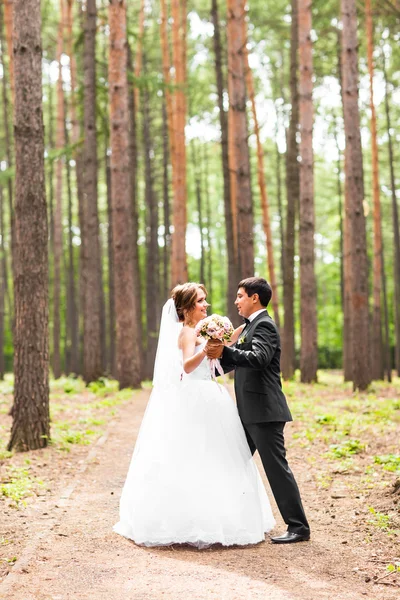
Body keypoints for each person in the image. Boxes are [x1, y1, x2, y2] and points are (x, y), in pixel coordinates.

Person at [113, 282, 275, 548]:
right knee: (197, 456)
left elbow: (224, 345)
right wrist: (207, 347)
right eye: (200, 301)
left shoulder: (197, 330)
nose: (205, 305)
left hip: (210, 395)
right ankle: (194, 522)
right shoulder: (187, 332)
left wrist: (237, 331)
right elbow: (188, 366)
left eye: (205, 300)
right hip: (196, 398)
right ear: (187, 307)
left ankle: (218, 517)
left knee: (215, 457)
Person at [206, 277, 310, 544]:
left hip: (264, 412)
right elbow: (240, 360)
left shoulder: (264, 325)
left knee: (276, 469)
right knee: (232, 461)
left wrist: (225, 353)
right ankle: (224, 520)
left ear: (255, 298)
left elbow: (259, 359)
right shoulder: (252, 326)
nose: (236, 301)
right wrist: (209, 365)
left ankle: (299, 527)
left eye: (240, 296)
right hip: (249, 412)